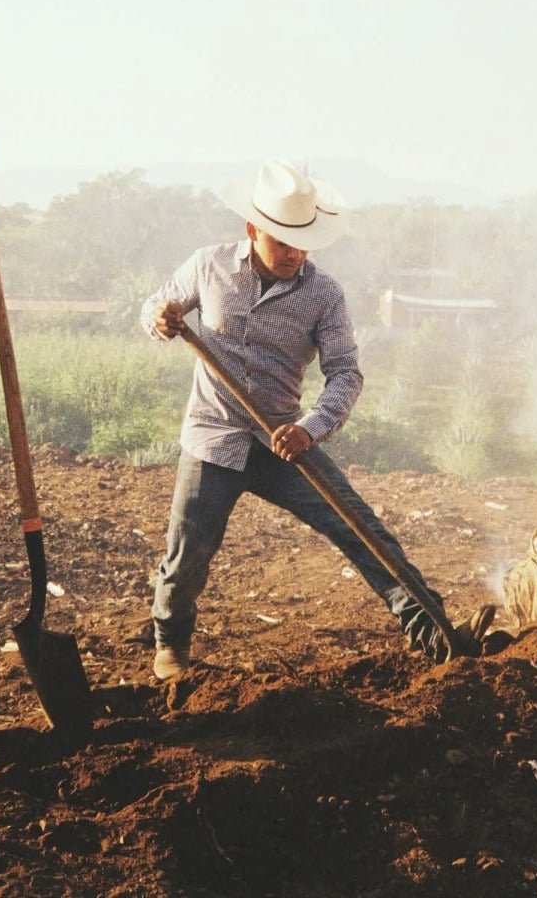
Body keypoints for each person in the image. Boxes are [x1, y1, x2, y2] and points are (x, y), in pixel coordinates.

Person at [140, 160, 494, 680]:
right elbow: (156, 304)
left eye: (302, 242)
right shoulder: (208, 266)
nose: (294, 254)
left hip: (284, 440)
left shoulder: (323, 295)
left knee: (360, 528)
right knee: (188, 550)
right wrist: (161, 318)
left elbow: (346, 375)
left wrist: (309, 427)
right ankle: (170, 644)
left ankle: (435, 632)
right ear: (251, 231)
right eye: (282, 241)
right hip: (214, 436)